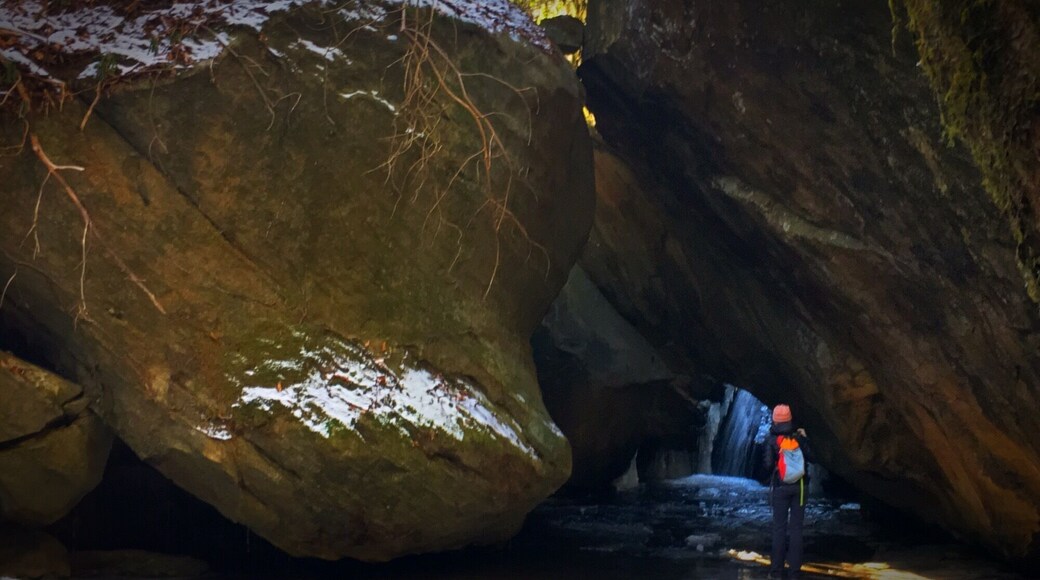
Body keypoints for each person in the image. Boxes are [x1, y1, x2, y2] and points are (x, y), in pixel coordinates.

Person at [762, 404, 812, 579]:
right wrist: (805, 439)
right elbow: (811, 458)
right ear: (790, 419)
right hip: (800, 487)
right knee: (797, 530)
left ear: (774, 420)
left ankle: (776, 572)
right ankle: (794, 574)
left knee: (779, 529)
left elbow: (767, 466)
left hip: (781, 488)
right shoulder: (799, 437)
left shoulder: (771, 440)